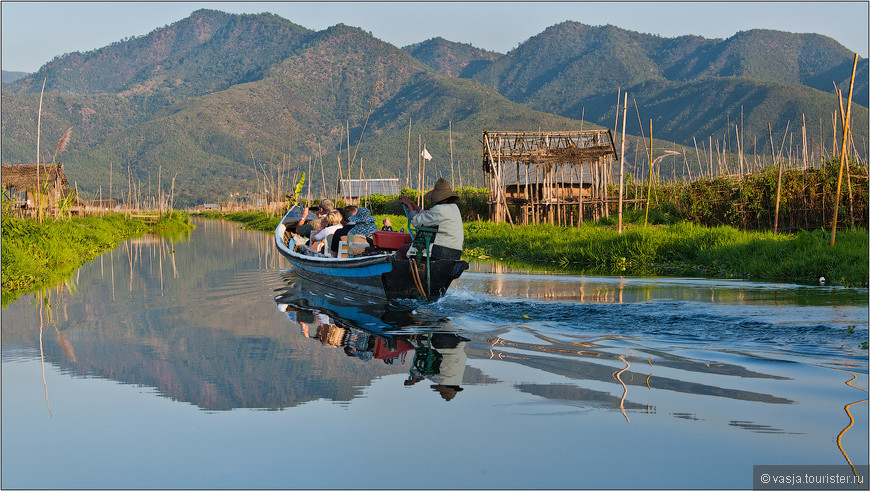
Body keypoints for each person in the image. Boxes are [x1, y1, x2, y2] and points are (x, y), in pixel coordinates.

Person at [398, 178, 463, 261]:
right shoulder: (454, 208)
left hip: (442, 251)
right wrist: (411, 203)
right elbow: (426, 214)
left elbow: (416, 221)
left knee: (402, 249)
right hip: (456, 252)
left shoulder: (439, 209)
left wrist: (408, 204)